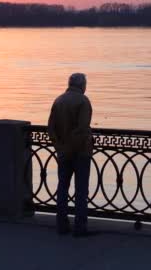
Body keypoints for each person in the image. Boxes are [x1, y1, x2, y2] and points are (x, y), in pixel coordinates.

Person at [48, 73, 93, 237]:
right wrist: (71, 149)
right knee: (81, 191)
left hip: (63, 153)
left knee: (62, 188)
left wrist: (60, 148)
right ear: (82, 85)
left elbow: (51, 129)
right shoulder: (83, 101)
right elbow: (82, 129)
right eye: (86, 84)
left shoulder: (58, 100)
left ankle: (61, 225)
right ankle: (80, 227)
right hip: (80, 153)